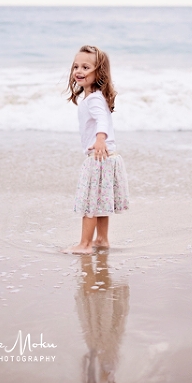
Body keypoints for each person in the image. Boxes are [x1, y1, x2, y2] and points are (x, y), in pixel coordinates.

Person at [63, 45, 129, 254]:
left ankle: (85, 244)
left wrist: (100, 139)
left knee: (90, 203)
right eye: (75, 66)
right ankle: (101, 239)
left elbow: (101, 120)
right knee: (100, 202)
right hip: (109, 157)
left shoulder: (93, 100)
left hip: (99, 156)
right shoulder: (96, 97)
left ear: (99, 72)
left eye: (85, 67)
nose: (78, 71)